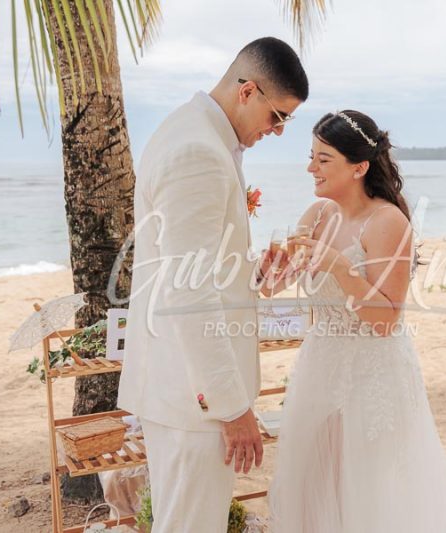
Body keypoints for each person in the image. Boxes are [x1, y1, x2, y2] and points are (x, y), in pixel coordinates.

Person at [117, 37, 308, 533]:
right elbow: (190, 296)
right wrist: (231, 405)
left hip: (180, 387)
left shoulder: (193, 134)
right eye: (278, 116)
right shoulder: (198, 152)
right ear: (248, 91)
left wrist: (253, 273)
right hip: (192, 400)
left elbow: (189, 269)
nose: (280, 130)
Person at [267, 110, 446, 532]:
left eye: (323, 159)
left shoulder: (387, 222)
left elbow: (384, 320)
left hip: (373, 378)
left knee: (371, 497)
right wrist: (271, 267)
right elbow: (272, 286)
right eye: (312, 156)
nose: (311, 168)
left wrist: (340, 268)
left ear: (359, 167)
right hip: (319, 370)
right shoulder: (317, 216)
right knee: (312, 490)